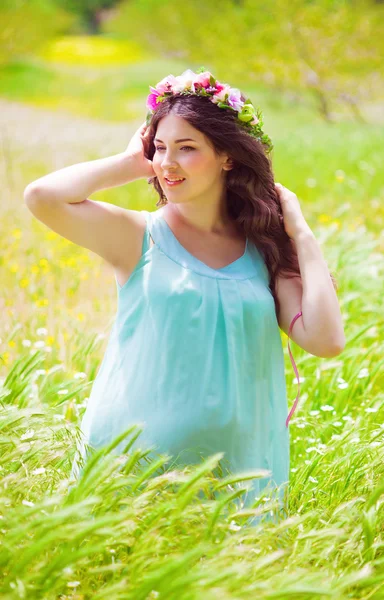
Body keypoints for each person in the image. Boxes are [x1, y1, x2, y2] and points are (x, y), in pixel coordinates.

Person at [23, 68, 344, 527]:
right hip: (130, 468)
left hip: (235, 478)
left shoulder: (264, 251)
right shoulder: (138, 236)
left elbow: (327, 340)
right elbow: (42, 197)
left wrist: (301, 233)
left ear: (227, 157)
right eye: (161, 148)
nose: (168, 163)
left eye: (187, 148)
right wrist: (129, 162)